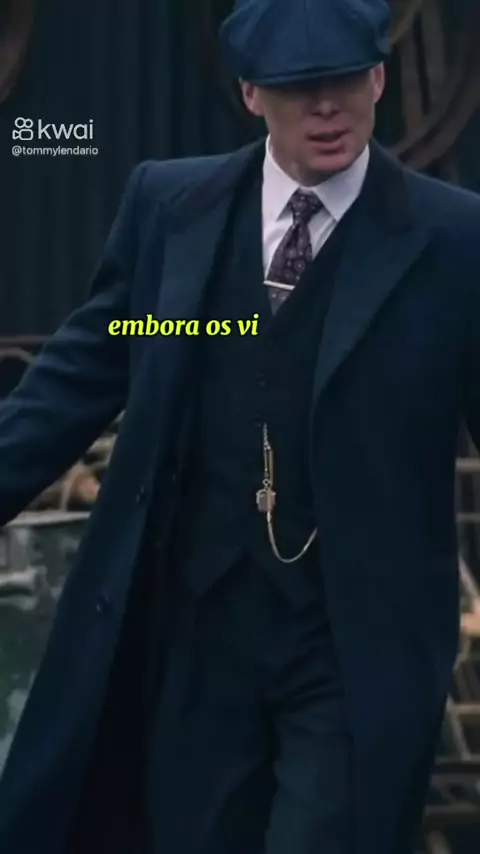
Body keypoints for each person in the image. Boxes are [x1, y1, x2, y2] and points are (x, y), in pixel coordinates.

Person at [0, 0, 478, 852]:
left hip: (349, 646)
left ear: (378, 78)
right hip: (196, 631)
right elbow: (76, 379)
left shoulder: (453, 241)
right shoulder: (172, 208)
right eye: (298, 86)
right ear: (252, 93)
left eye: (343, 80)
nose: (325, 107)